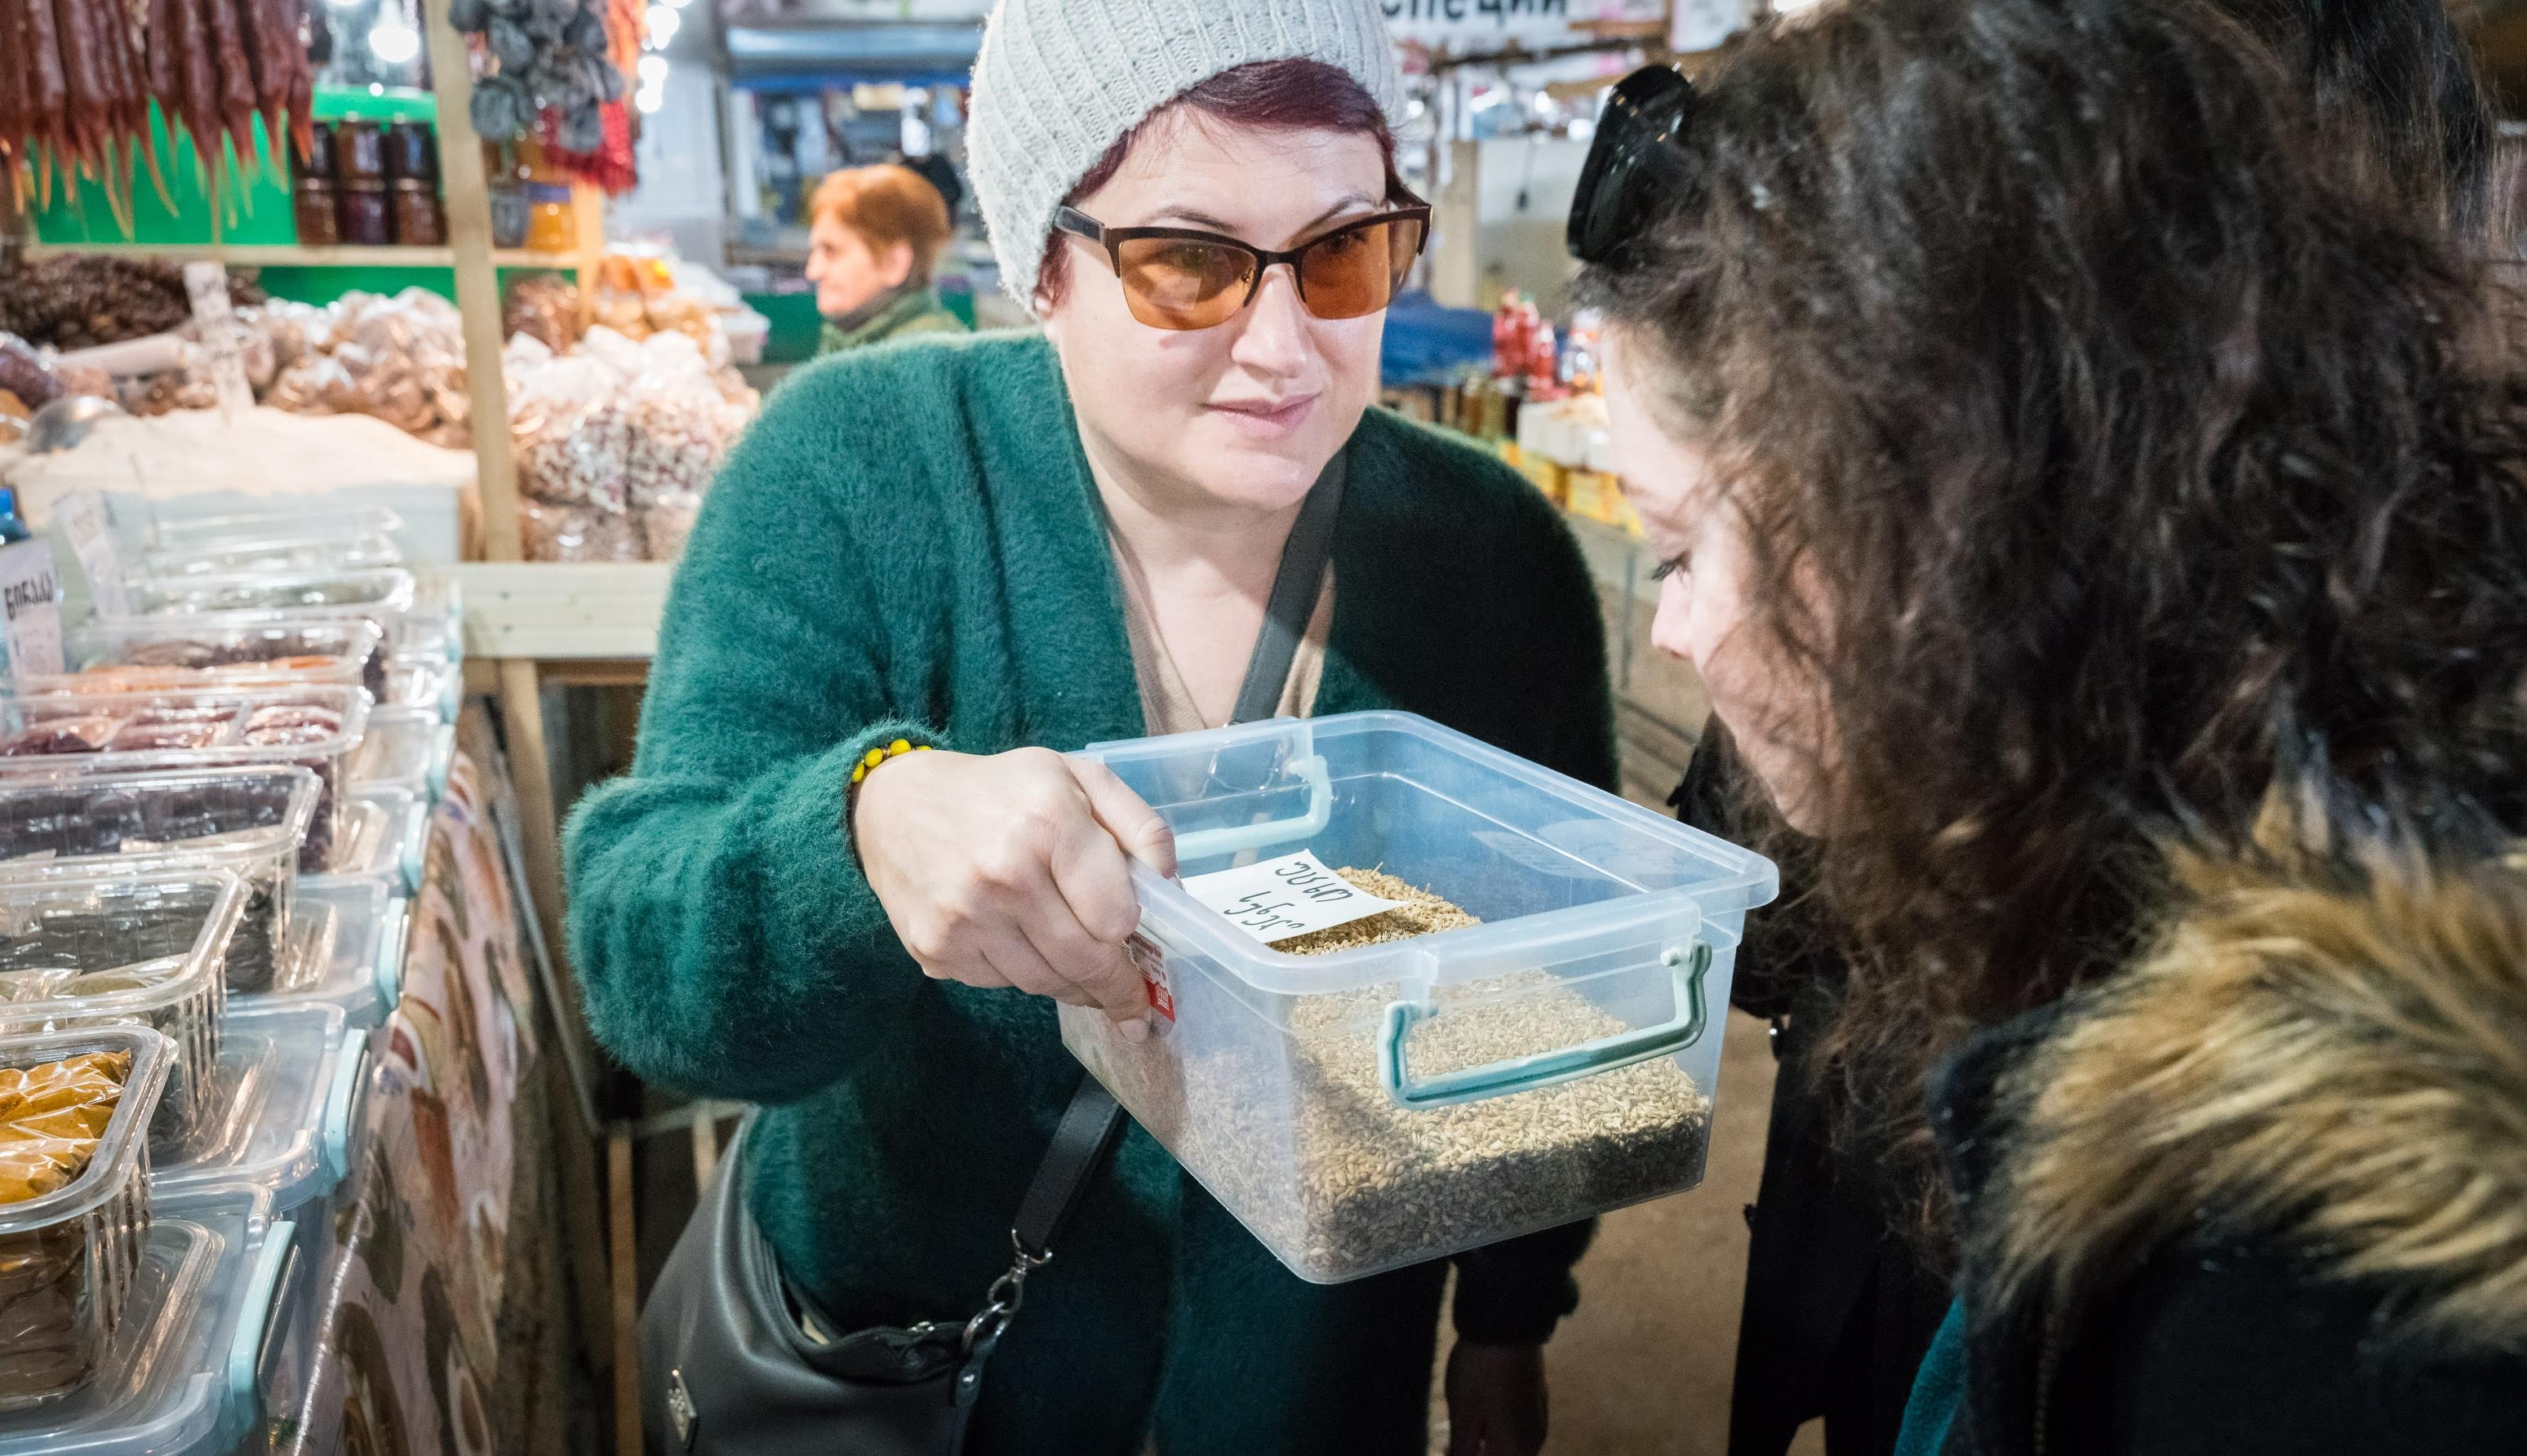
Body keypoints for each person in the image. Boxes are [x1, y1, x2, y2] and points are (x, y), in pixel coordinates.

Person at [566, 2, 1611, 1452]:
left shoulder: (1491, 559)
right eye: (1188, 260)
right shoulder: (858, 469)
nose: (1283, 347)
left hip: (1315, 1398)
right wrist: (861, 828)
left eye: (1342, 252)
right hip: (929, 1387)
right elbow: (641, 945)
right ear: (1043, 265)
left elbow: (1551, 997)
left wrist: (1507, 1319)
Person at [1574, 0, 2527, 1451]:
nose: (1673, 630)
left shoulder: (2295, 1303)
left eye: (1682, 550)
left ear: (1931, 552)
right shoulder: (2130, 904)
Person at [806, 162, 968, 354]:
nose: (813, 272)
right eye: (815, 251)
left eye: (831, 251)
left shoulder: (922, 357)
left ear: (894, 262)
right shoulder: (856, 339)